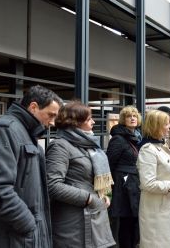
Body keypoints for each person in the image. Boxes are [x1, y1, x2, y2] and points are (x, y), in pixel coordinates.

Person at [0, 85, 62, 247]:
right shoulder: (6, 130)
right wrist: (29, 225)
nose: (53, 122)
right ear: (33, 107)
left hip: (18, 237)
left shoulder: (22, 132)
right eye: (51, 115)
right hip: (10, 237)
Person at [45, 101, 115, 248]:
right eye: (89, 119)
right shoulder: (60, 146)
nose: (94, 122)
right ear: (75, 122)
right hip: (74, 222)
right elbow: (52, 184)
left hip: (93, 216)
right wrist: (89, 198)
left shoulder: (89, 144)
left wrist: (104, 194)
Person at [137, 110, 170, 248]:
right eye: (166, 123)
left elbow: (163, 170)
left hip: (165, 209)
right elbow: (148, 183)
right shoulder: (148, 149)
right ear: (156, 126)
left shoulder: (160, 145)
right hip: (156, 213)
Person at [107, 106, 142, 248]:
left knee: (134, 222)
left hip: (134, 185)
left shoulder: (136, 137)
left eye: (134, 115)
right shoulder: (118, 139)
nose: (132, 118)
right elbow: (109, 164)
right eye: (129, 116)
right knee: (126, 223)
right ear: (123, 120)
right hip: (124, 187)